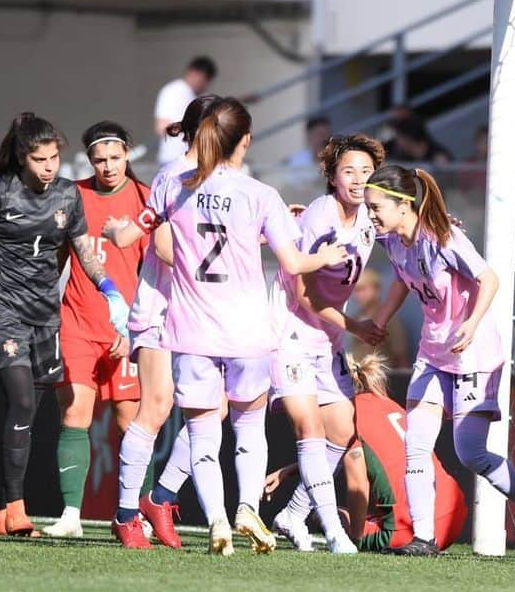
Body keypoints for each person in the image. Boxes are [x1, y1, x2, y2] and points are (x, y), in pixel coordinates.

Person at [105, 97, 348, 555]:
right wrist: (273, 240)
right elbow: (287, 261)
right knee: (209, 417)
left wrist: (114, 231)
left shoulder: (174, 185)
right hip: (207, 318)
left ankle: (187, 508)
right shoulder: (243, 191)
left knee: (204, 422)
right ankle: (154, 512)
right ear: (241, 139)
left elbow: (153, 238)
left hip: (195, 322)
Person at [0, 112, 129, 537]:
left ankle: (5, 510)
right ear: (23, 157)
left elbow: (82, 253)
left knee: (30, 414)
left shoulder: (68, 196)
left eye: (55, 157)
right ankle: (17, 511)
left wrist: (110, 290)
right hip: (1, 312)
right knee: (20, 403)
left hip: (44, 316)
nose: (50, 166)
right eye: (41, 159)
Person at [363, 164, 515, 557]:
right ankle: (424, 538)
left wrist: (471, 323)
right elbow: (403, 278)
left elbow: (490, 279)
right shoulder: (392, 240)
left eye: (376, 206)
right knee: (416, 444)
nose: (371, 215)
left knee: (472, 454)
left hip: (473, 353)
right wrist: (380, 319)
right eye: (368, 207)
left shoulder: (444, 237)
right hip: (433, 353)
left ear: (403, 205)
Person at [109, 95, 223, 550]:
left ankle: (161, 496)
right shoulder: (171, 177)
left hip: (205, 312)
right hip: (162, 307)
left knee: (213, 411)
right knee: (155, 406)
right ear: (202, 131)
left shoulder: (227, 181)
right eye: (222, 128)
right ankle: (125, 514)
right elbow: (161, 247)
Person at [268, 133, 389, 554]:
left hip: (328, 336)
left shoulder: (371, 218)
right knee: (311, 429)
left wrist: (434, 230)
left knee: (342, 428)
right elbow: (303, 293)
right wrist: (355, 324)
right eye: (349, 171)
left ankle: (293, 513)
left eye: (366, 172)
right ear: (332, 177)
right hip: (290, 332)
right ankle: (334, 533)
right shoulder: (321, 215)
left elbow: (403, 231)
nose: (358, 180)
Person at [43, 122, 149, 539]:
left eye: (115, 158)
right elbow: (53, 256)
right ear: (89, 161)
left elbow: (152, 272)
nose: (107, 167)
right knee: (75, 415)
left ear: (128, 155)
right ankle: (71, 515)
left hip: (127, 329)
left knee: (134, 425)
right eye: (99, 160)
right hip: (78, 322)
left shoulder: (144, 200)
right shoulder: (73, 195)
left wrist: (137, 329)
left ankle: (137, 516)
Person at [263, 354, 467, 552]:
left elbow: (358, 484)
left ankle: (326, 524)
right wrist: (288, 471)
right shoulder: (388, 404)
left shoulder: (347, 416)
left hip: (409, 529)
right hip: (453, 516)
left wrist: (353, 538)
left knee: (327, 515)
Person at [154, 56, 217, 165]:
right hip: (173, 160)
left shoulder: (200, 97)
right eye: (203, 80)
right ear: (193, 73)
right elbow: (161, 127)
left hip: (195, 161)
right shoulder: (172, 91)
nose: (204, 85)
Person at [348, 268, 410, 372]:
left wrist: (403, 384)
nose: (358, 295)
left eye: (363, 289)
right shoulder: (355, 318)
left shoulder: (389, 319)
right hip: (358, 380)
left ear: (376, 289)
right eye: (356, 290)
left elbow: (401, 356)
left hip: (380, 379)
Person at [383, 116, 453, 165]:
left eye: (400, 137)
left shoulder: (439, 157)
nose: (397, 142)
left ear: (409, 138)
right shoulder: (399, 156)